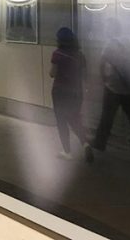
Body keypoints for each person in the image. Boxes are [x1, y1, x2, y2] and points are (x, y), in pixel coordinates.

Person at [92, 38, 130, 162]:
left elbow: (102, 67)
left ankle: (100, 144)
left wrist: (105, 81)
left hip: (113, 91)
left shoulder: (111, 53)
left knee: (106, 119)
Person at [50, 26, 93, 162]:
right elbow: (85, 76)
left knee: (61, 120)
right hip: (76, 92)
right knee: (74, 118)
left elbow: (52, 73)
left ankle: (67, 151)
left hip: (60, 92)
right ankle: (85, 143)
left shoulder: (57, 54)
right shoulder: (80, 55)